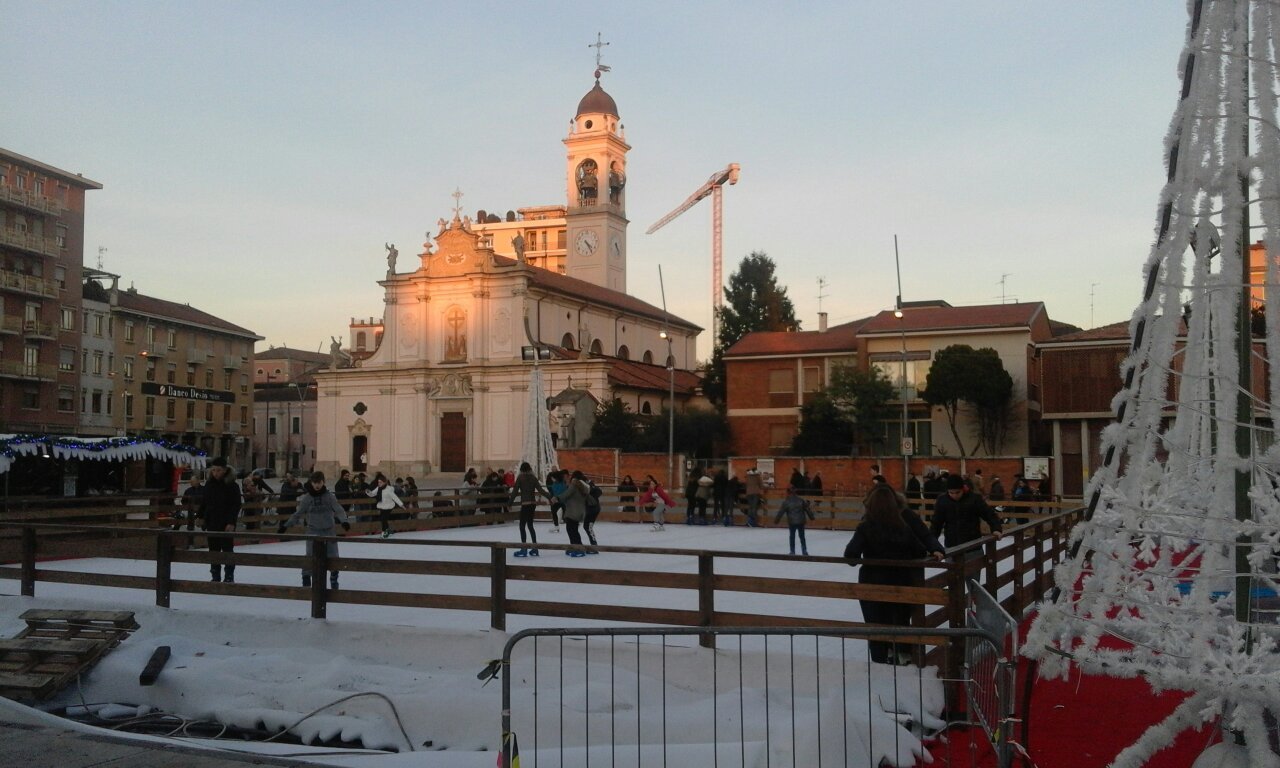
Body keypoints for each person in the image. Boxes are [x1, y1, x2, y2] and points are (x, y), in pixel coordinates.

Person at [844, 484, 945, 665]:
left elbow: (850, 556)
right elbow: (920, 550)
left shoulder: (866, 526)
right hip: (900, 581)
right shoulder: (903, 527)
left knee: (875, 625)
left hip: (871, 583)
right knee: (900, 621)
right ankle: (902, 656)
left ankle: (880, 660)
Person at [278, 470, 351, 589]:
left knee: (333, 556)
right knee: (310, 556)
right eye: (315, 482)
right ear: (311, 483)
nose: (317, 485)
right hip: (313, 531)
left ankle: (334, 579)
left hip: (328, 530)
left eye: (319, 482)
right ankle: (306, 580)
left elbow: (338, 509)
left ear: (323, 482)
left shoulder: (329, 497)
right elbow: (298, 513)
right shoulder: (307, 498)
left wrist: (344, 521)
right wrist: (286, 525)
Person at [930, 474, 1003, 560]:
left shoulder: (974, 499)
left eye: (957, 492)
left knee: (972, 572)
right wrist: (932, 545)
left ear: (963, 489)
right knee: (953, 573)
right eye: (951, 493)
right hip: (952, 548)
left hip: (973, 547)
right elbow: (936, 524)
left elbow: (989, 514)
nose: (954, 495)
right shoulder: (942, 501)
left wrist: (996, 528)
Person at [199, 457, 242, 583]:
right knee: (213, 550)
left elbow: (235, 505)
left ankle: (229, 576)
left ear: (224, 470)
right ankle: (215, 575)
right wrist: (200, 516)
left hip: (225, 523)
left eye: (218, 470)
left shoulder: (232, 485)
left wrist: (231, 522)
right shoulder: (209, 485)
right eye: (213, 470)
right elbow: (205, 502)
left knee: (227, 550)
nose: (215, 473)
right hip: (212, 522)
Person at [511, 462, 549, 557]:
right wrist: (550, 496)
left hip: (525, 504)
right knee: (530, 526)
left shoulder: (520, 478)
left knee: (522, 526)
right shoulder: (533, 478)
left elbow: (515, 491)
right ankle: (535, 548)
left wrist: (509, 502)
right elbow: (541, 490)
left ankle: (524, 548)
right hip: (532, 504)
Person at [553, 470, 591, 557]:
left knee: (571, 530)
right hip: (579, 511)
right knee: (573, 529)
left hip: (573, 511)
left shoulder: (574, 485)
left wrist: (557, 498)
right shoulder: (582, 486)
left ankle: (578, 548)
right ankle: (576, 547)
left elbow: (567, 494)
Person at [774, 486, 815, 556]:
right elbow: (807, 509)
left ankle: (792, 551)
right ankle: (804, 550)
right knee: (802, 536)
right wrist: (812, 517)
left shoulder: (786, 502)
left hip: (792, 522)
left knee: (792, 536)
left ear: (788, 493)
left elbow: (781, 512)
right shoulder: (801, 500)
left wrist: (776, 520)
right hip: (801, 521)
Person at [368, 472, 406, 537]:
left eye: (380, 482)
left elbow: (395, 497)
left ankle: (384, 532)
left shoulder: (389, 489)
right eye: (378, 482)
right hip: (382, 505)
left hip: (389, 506)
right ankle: (387, 530)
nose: (379, 483)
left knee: (383, 519)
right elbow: (372, 494)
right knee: (383, 519)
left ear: (384, 482)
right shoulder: (378, 488)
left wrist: (401, 505)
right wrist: (368, 492)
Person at [583, 478, 603, 552]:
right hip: (593, 509)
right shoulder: (592, 487)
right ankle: (594, 544)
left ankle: (594, 545)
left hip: (592, 510)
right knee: (587, 527)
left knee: (588, 527)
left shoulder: (590, 488)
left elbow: (599, 492)